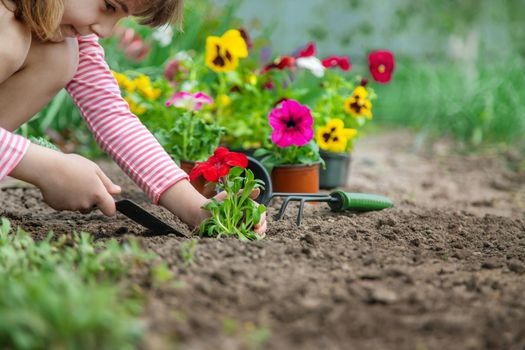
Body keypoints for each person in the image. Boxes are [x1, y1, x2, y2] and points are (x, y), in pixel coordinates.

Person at [0, 0, 267, 235]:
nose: (104, 30)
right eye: (109, 5)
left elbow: (111, 115)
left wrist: (197, 209)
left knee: (59, 54)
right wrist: (44, 167)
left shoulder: (65, 31)